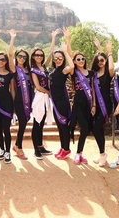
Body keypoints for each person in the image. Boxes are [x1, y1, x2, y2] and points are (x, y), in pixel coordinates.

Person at [30, 31, 57, 160]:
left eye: (41, 55)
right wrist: (49, 93)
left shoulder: (45, 67)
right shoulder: (33, 70)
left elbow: (51, 53)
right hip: (39, 97)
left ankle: (40, 146)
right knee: (37, 123)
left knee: (41, 124)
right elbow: (38, 86)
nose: (39, 57)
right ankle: (36, 149)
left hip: (45, 98)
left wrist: (53, 38)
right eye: (37, 55)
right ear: (33, 56)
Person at [0, 31, 15, 164]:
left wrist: (14, 105)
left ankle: (8, 152)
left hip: (7, 104)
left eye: (3, 59)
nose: (0, 61)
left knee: (6, 129)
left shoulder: (10, 74)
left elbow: (12, 91)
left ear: (6, 61)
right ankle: (1, 149)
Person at [49, 27, 74, 160]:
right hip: (55, 103)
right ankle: (63, 147)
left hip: (62, 102)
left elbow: (72, 66)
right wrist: (53, 39)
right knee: (59, 126)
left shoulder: (64, 70)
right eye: (56, 58)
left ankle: (67, 149)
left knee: (64, 127)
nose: (58, 60)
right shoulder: (53, 70)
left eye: (60, 58)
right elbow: (50, 52)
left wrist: (67, 45)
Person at [90, 38, 115, 167]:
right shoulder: (94, 74)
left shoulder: (108, 73)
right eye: (98, 60)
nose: (100, 62)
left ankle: (103, 154)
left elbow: (110, 66)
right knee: (98, 130)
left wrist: (109, 52)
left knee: (96, 128)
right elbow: (93, 91)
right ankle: (102, 153)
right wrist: (94, 105)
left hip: (106, 104)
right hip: (97, 105)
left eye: (102, 60)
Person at [8, 29, 31, 160]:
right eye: (20, 56)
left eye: (24, 57)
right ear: (17, 57)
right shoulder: (14, 68)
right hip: (18, 99)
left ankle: (17, 145)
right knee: (22, 121)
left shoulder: (28, 69)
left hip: (29, 99)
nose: (22, 59)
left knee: (25, 121)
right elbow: (10, 54)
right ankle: (19, 147)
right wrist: (12, 39)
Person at [70, 51, 95, 165]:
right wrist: (68, 40)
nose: (81, 61)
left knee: (86, 129)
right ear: (74, 61)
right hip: (78, 103)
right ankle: (78, 153)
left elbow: (93, 90)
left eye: (82, 58)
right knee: (84, 128)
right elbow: (70, 61)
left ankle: (80, 152)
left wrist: (94, 105)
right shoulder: (74, 73)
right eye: (78, 59)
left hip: (88, 103)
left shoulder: (90, 73)